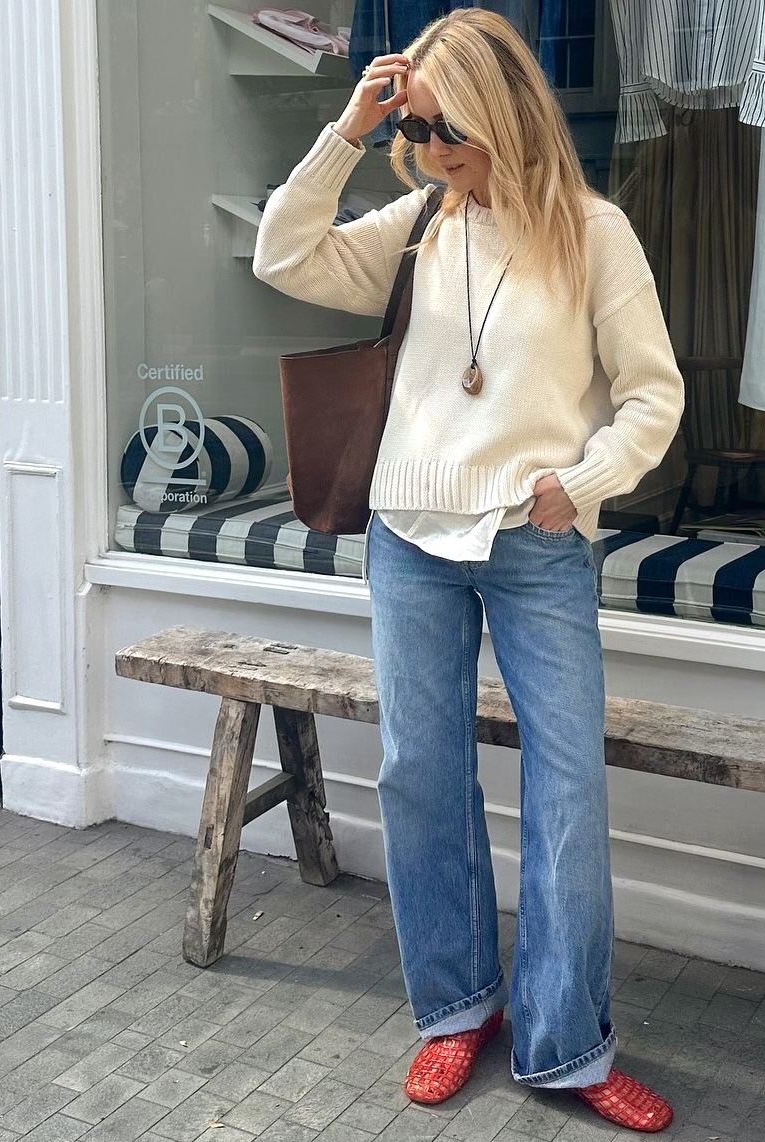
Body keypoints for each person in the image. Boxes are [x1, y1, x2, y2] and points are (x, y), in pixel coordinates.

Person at [253, 9, 684, 1132]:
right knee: (419, 775)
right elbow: (283, 251)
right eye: (423, 132)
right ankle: (454, 1009)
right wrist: (348, 130)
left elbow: (653, 394)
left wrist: (579, 484)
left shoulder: (594, 233)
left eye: (455, 132)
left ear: (506, 114)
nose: (438, 152)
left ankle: (565, 1044)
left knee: (566, 793)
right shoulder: (414, 227)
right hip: (407, 538)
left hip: (536, 546)